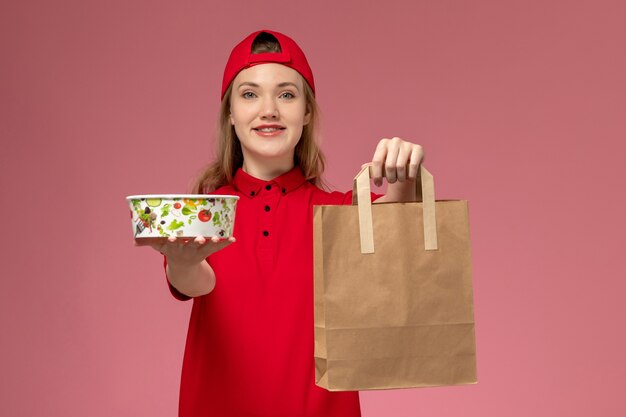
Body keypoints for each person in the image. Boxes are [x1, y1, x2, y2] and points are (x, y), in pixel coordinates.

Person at [141, 29, 424, 416]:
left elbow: (402, 225)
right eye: (250, 94)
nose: (269, 109)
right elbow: (197, 282)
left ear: (306, 112)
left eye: (287, 94)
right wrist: (184, 260)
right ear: (230, 113)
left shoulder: (340, 212)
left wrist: (405, 173)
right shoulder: (204, 211)